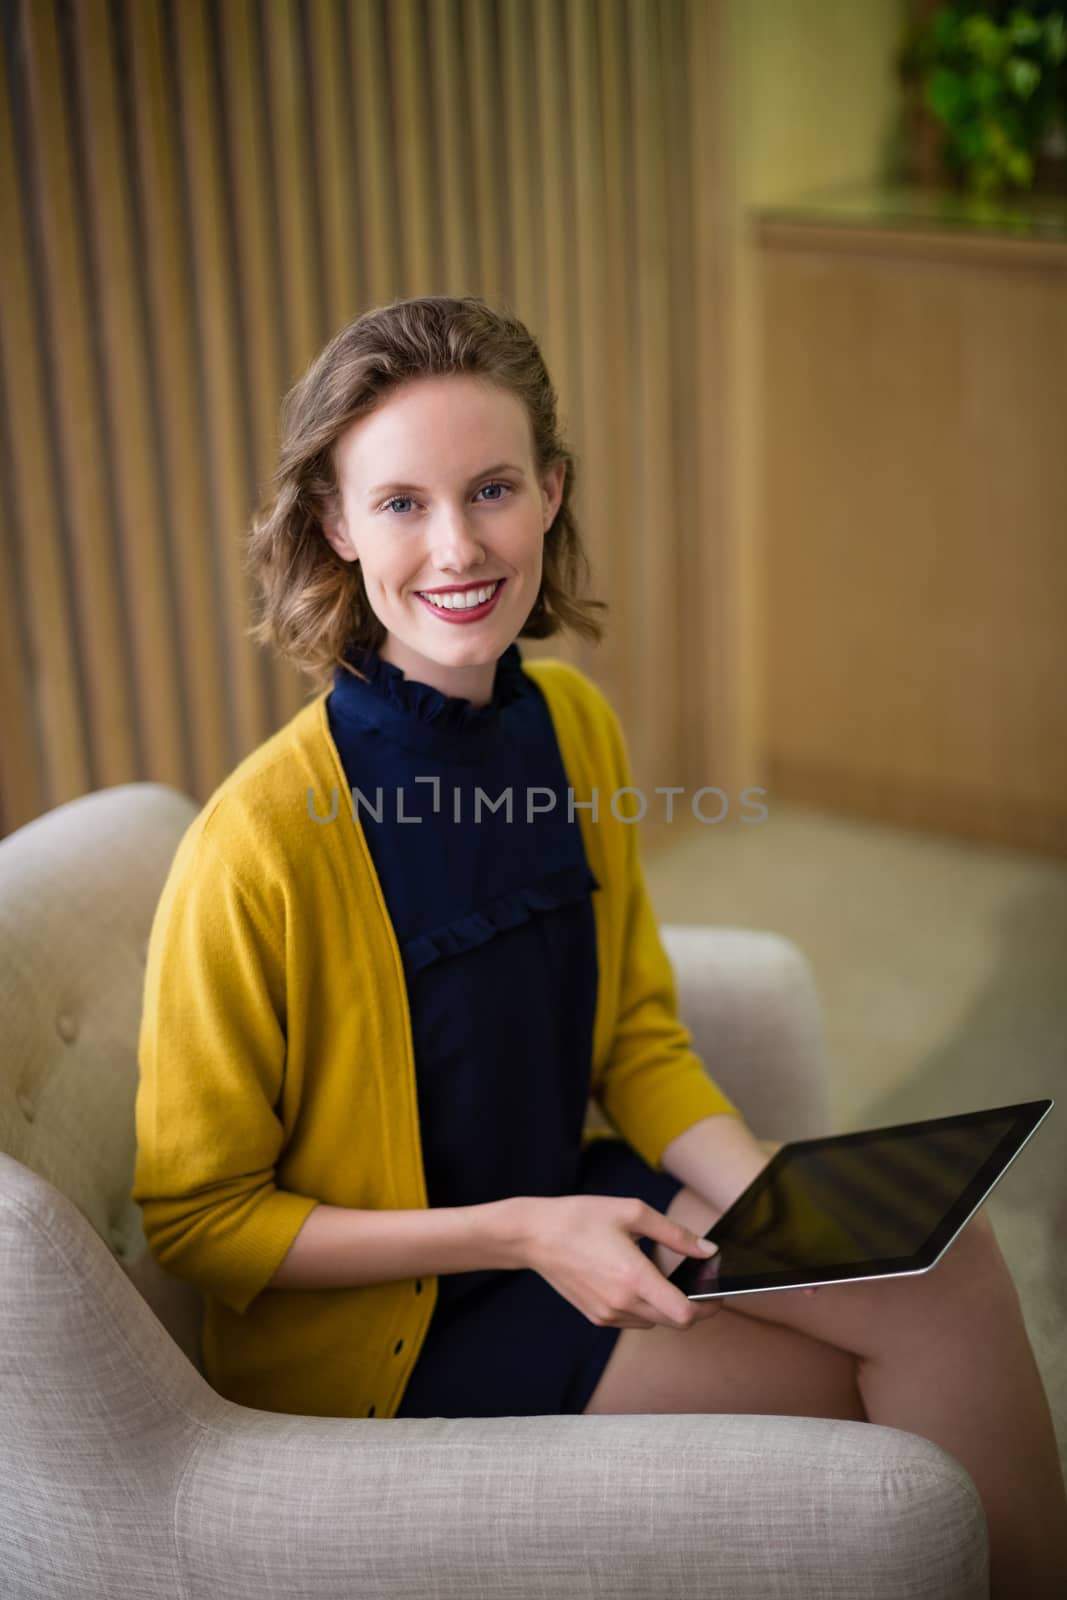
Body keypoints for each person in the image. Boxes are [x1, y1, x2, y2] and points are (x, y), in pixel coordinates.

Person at [133, 295, 1066, 1596]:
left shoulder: (571, 724)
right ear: (336, 525)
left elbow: (633, 1033)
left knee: (947, 1269)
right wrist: (522, 1233)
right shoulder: (260, 844)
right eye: (402, 502)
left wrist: (758, 1198)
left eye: (494, 488)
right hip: (403, 1332)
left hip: (584, 1209)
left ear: (551, 491)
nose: (457, 544)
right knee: (873, 1410)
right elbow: (199, 1221)